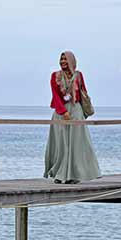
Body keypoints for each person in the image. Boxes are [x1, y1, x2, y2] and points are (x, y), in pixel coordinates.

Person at [44, 51, 101, 184]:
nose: (63, 61)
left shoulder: (78, 75)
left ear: (72, 61)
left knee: (77, 143)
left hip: (76, 111)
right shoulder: (55, 76)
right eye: (61, 59)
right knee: (61, 143)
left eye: (65, 59)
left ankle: (75, 174)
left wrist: (83, 111)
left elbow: (83, 93)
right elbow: (55, 96)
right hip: (60, 112)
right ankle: (59, 174)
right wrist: (63, 112)